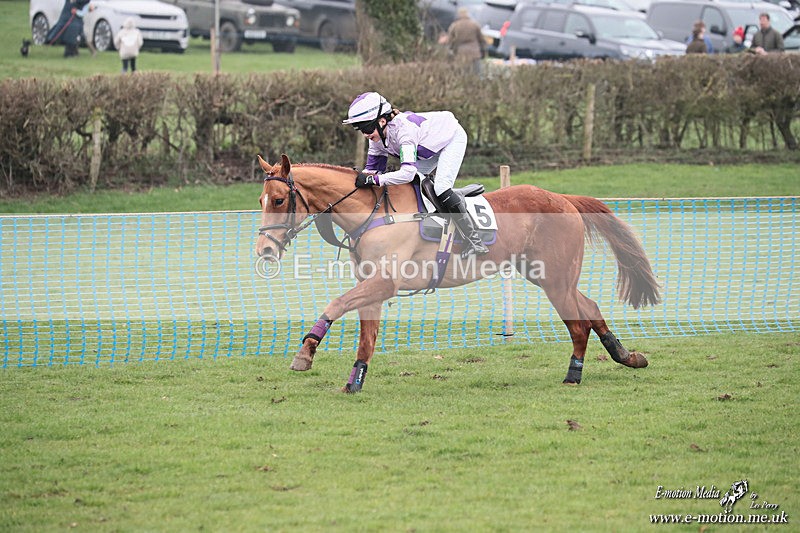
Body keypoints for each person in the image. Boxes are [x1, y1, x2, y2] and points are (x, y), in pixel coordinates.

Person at [343, 92, 489, 258]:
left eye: (367, 128)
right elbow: (372, 171)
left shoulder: (404, 131)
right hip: (429, 147)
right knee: (410, 186)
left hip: (451, 139)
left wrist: (375, 179)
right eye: (361, 129)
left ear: (382, 121)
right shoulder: (376, 139)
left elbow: (407, 172)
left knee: (441, 188)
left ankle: (474, 241)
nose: (365, 134)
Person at [445, 8, 486, 75]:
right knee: (477, 74)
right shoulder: (474, 24)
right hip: (475, 53)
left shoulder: (455, 25)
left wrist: (452, 50)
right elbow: (481, 39)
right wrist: (483, 51)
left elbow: (450, 40)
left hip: (461, 53)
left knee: (462, 74)